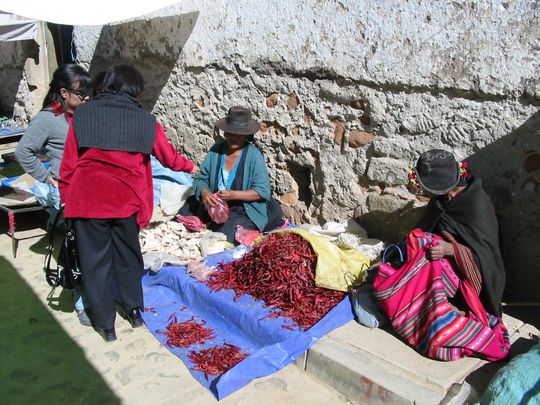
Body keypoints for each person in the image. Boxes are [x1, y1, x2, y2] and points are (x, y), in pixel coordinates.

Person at [58, 64, 199, 342]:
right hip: (126, 202)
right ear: (135, 91)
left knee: (95, 264)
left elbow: (68, 166)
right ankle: (134, 310)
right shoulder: (146, 121)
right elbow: (169, 159)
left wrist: (65, 201)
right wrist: (190, 166)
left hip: (87, 202)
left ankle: (106, 325)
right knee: (127, 257)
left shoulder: (83, 115)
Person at [372, 149, 509, 361]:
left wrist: (450, 250)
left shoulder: (476, 205)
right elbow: (428, 227)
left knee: (425, 269)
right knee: (410, 264)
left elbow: (486, 257)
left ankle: (427, 317)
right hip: (445, 263)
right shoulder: (442, 201)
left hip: (472, 275)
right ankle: (416, 308)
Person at [15, 63, 93, 326]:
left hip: (90, 191)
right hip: (67, 194)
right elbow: (23, 152)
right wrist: (48, 177)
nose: (87, 98)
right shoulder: (48, 119)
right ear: (64, 92)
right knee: (77, 249)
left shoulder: (83, 115)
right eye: (81, 94)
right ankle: (81, 301)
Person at [186, 106, 284, 244]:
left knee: (225, 236)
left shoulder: (253, 156)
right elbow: (201, 179)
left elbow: (262, 191)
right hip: (215, 205)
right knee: (184, 212)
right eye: (229, 133)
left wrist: (234, 195)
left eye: (238, 134)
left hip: (242, 209)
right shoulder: (216, 151)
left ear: (246, 135)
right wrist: (205, 193)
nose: (232, 137)